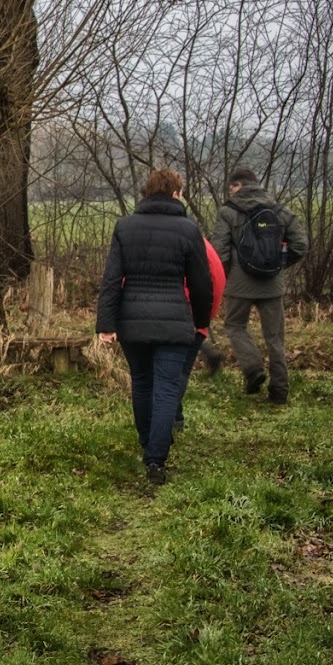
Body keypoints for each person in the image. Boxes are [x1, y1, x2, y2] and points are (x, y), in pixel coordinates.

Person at [96, 169, 213, 486]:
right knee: (166, 388)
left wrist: (106, 324)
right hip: (174, 322)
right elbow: (202, 284)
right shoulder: (188, 229)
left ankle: (148, 443)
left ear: (146, 193)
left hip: (132, 321)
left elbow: (111, 281)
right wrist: (201, 321)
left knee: (142, 383)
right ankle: (156, 458)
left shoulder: (125, 226)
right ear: (176, 193)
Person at [211, 166, 309, 404]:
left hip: (238, 283)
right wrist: (278, 264)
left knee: (235, 326)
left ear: (238, 186)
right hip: (271, 284)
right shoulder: (279, 211)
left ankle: (253, 369)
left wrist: (224, 277)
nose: (230, 192)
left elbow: (219, 251)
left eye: (231, 187)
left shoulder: (227, 211)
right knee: (275, 338)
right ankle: (279, 391)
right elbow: (300, 245)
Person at [175, 237, 227, 432]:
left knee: (169, 373)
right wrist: (204, 320)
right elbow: (217, 279)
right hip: (191, 318)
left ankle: (168, 422)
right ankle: (174, 418)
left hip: (166, 317)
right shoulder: (199, 242)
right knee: (177, 372)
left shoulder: (145, 236)